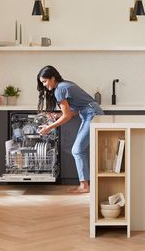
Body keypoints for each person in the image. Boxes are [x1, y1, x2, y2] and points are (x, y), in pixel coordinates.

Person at [36, 65, 103, 193]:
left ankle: (84, 186)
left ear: (53, 78)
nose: (44, 85)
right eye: (42, 83)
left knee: (77, 150)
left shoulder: (59, 90)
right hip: (91, 112)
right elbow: (76, 110)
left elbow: (67, 116)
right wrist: (57, 115)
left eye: (45, 81)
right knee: (79, 150)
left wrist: (48, 127)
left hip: (92, 115)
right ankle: (85, 184)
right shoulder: (65, 84)